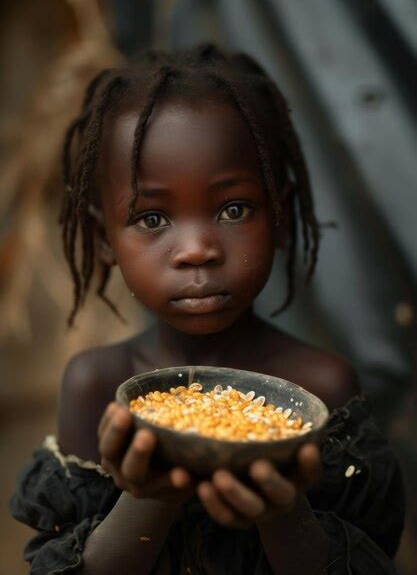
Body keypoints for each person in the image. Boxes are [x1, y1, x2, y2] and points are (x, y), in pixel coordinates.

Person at [10, 44, 404, 574]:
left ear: (280, 217)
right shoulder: (97, 385)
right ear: (104, 238)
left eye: (233, 208)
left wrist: (283, 510)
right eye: (151, 218)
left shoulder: (320, 388)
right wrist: (152, 494)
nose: (197, 249)